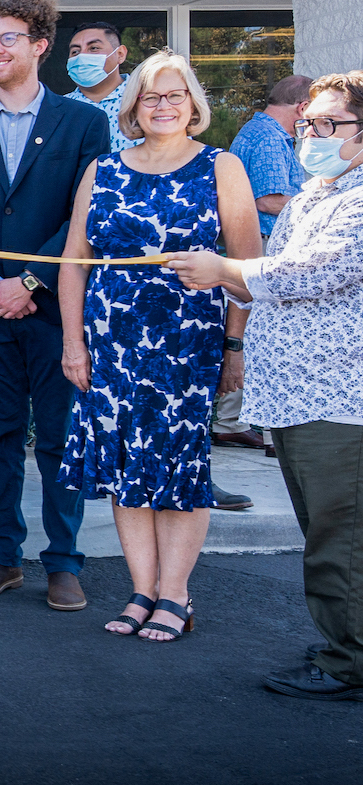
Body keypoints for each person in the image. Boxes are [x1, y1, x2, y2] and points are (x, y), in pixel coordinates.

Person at [168, 70, 363, 700]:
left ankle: (349, 663)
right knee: (327, 531)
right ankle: (347, 640)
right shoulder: (319, 193)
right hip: (300, 396)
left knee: (341, 539)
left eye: (330, 124)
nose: (313, 134)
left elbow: (311, 271)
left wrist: (225, 268)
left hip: (338, 398)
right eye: (309, 123)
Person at [59, 51, 260, 642]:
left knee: (178, 467)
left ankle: (175, 594)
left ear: (193, 104)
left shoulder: (221, 167)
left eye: (175, 95)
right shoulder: (103, 169)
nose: (163, 106)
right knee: (125, 465)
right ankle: (141, 591)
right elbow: (74, 261)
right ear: (134, 108)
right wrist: (73, 343)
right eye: (151, 97)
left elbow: (248, 267)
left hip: (187, 348)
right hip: (110, 347)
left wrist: (234, 346)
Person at [0, 0, 109, 614]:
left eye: (9, 38)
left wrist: (29, 282)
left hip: (57, 308)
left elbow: (85, 215)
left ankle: (63, 563)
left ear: (40, 45)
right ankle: (1, 557)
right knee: (1, 435)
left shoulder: (83, 123)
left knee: (58, 437)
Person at [214, 75, 314, 457]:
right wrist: (319, 205)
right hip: (266, 244)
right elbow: (268, 199)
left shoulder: (260, 132)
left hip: (259, 245)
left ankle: (232, 420)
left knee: (248, 332)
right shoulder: (270, 138)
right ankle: (243, 423)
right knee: (260, 334)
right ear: (303, 108)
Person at [64, 21, 138, 152]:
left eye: (93, 48)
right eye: (75, 51)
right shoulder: (59, 108)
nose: (82, 56)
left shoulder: (146, 101)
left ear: (120, 54)